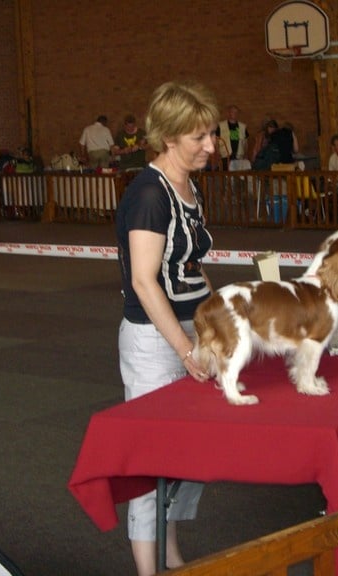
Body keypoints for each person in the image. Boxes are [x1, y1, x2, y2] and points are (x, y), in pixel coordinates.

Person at [115, 81, 217, 576]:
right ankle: (149, 569)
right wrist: (185, 349)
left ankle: (171, 554)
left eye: (212, 134)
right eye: (200, 137)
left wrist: (217, 322)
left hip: (192, 329)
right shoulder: (149, 194)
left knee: (187, 453)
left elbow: (191, 267)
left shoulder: (188, 186)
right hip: (156, 340)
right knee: (152, 458)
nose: (212, 146)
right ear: (170, 137)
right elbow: (144, 280)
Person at [216, 105, 250, 171]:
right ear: (228, 113)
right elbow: (216, 141)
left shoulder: (243, 126)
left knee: (238, 174)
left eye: (236, 112)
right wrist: (217, 153)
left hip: (239, 156)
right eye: (232, 112)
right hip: (225, 156)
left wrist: (246, 154)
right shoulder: (221, 125)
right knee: (226, 174)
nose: (234, 114)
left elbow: (246, 142)